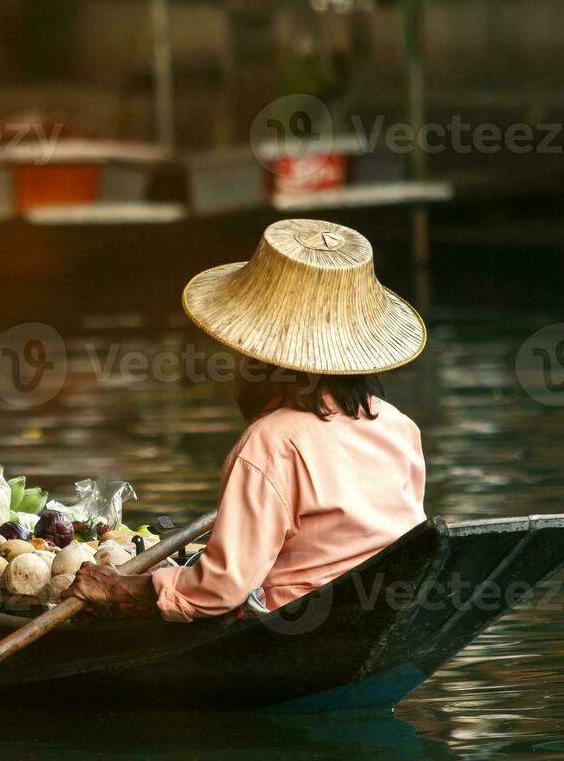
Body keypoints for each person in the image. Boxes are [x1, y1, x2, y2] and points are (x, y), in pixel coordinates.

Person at [64, 219, 428, 620]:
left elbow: (219, 591)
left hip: (300, 622)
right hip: (385, 607)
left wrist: (118, 586)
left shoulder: (270, 443)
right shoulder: (397, 424)